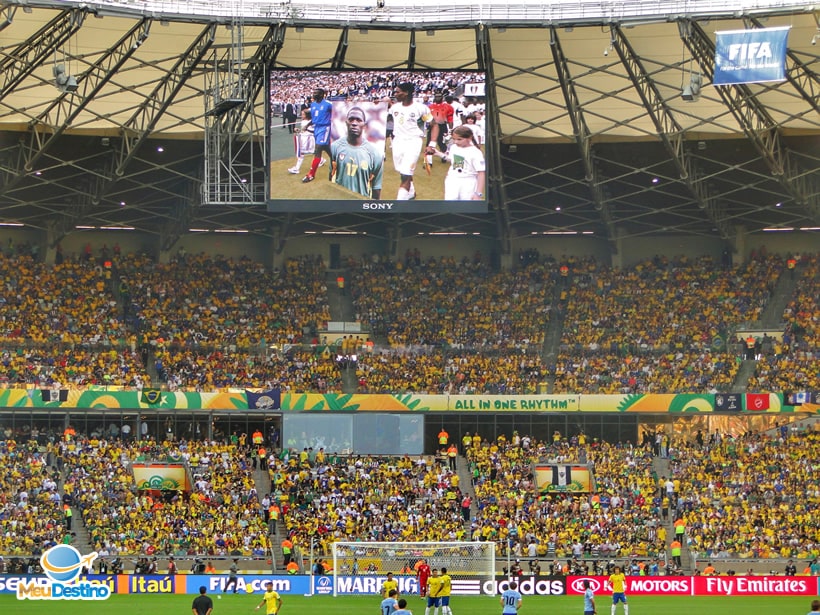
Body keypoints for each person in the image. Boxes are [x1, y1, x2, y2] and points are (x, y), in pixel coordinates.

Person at [388, 82, 435, 200]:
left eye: (398, 92)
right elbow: (388, 123)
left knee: (405, 175)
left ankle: (399, 206)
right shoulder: (394, 108)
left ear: (407, 93)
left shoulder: (420, 108)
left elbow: (434, 125)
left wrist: (432, 144)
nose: (395, 94)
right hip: (397, 141)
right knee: (403, 171)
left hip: (413, 142)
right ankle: (412, 192)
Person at [330, 106, 383, 199]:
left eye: (358, 120)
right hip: (338, 201)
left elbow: (376, 188)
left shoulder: (375, 154)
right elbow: (328, 179)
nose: (354, 123)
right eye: (351, 119)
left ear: (364, 125)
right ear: (346, 123)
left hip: (361, 204)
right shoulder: (334, 147)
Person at [426, 125, 485, 201]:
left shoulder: (476, 153)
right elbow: (454, 161)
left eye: (459, 139)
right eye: (454, 139)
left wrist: (478, 193)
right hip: (452, 179)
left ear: (469, 138)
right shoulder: (454, 147)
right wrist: (438, 153)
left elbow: (481, 173)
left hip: (468, 182)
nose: (456, 142)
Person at [302, 88, 333, 183]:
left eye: (316, 93)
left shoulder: (328, 104)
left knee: (318, 148)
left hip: (325, 128)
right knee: (328, 150)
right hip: (317, 129)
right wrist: (307, 125)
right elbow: (315, 118)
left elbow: (337, 113)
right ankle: (338, 163)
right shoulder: (313, 104)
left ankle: (311, 174)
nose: (314, 94)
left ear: (322, 94)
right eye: (313, 92)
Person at [288, 108, 317, 175]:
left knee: (304, 153)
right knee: (307, 152)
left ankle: (297, 168)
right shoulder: (304, 121)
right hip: (304, 138)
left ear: (307, 115)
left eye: (303, 114)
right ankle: (321, 160)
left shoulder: (312, 122)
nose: (301, 115)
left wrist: (304, 130)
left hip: (308, 139)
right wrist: (299, 130)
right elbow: (304, 131)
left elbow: (311, 131)